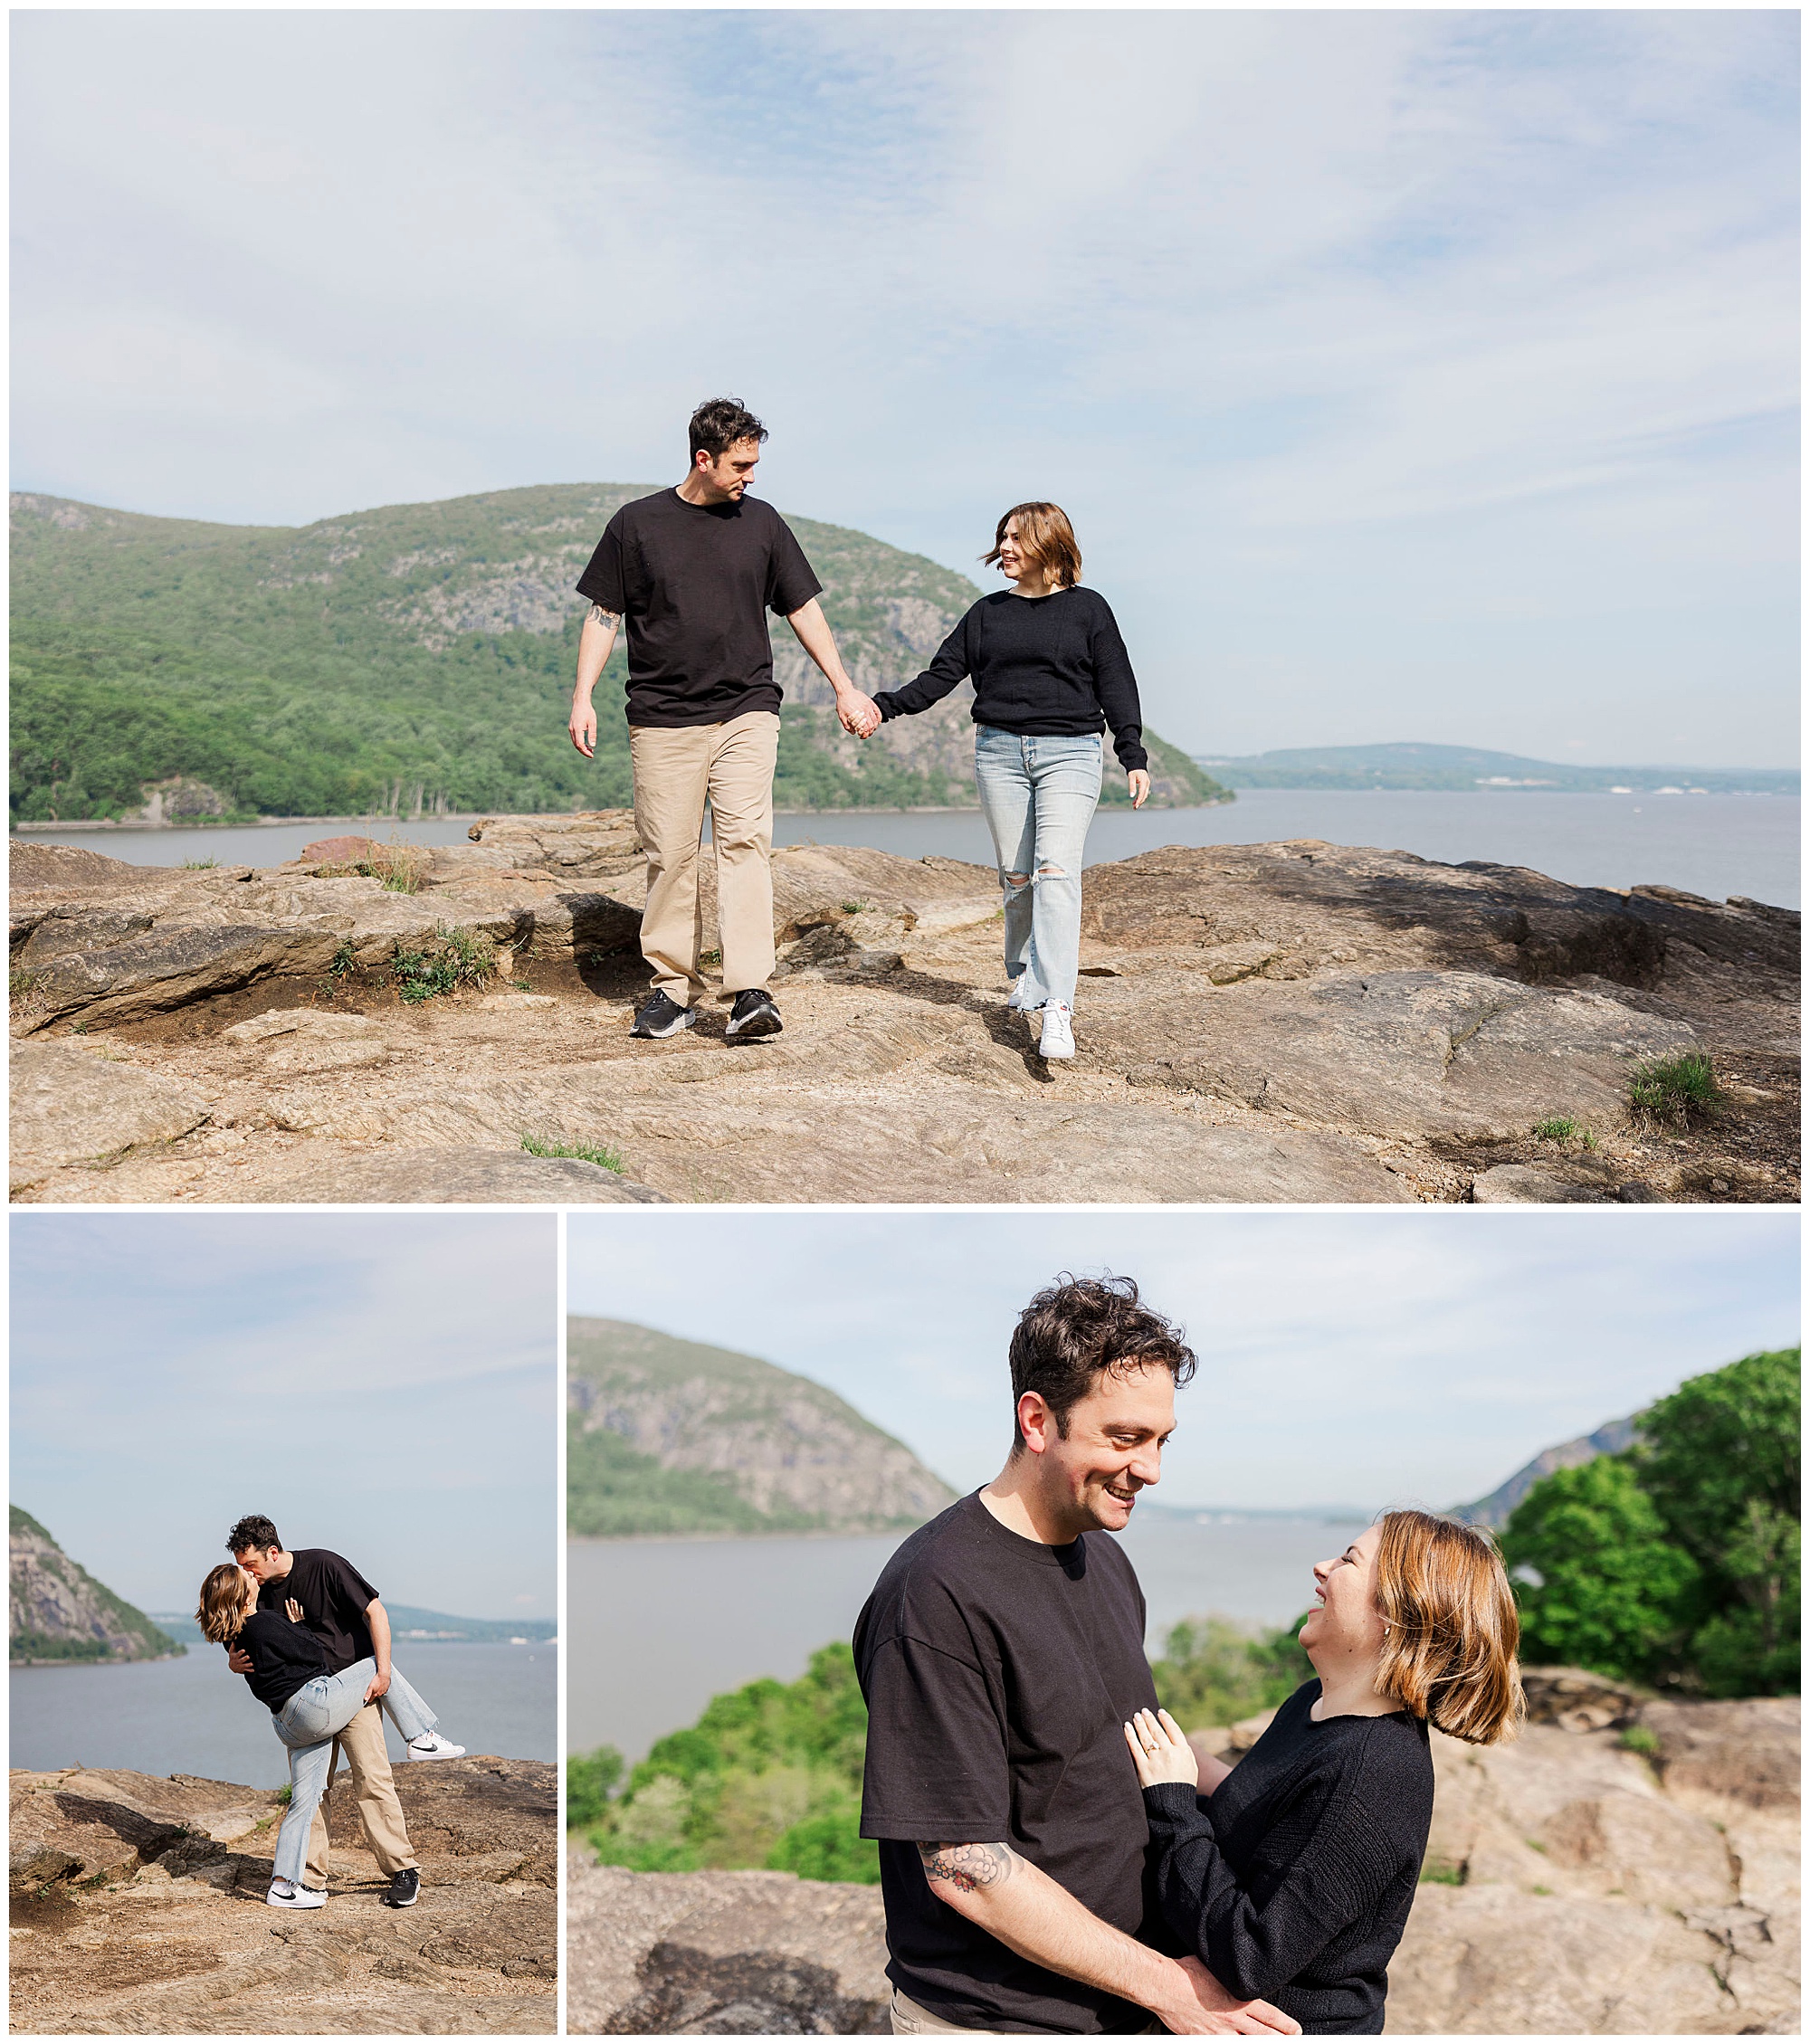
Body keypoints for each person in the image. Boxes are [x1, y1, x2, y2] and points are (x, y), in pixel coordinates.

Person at [853, 1274, 1300, 2038]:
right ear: (1037, 1419)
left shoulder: (1102, 1554)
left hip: (1124, 2002)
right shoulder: (934, 1594)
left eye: (1161, 1439)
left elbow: (1128, 1740)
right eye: (1125, 1438)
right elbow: (963, 1865)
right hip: (1004, 2020)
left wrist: (1296, 1805)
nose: (1152, 1468)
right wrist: (1169, 1987)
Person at [1126, 1512, 1526, 2035]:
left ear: (1400, 1613)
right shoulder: (1315, 1703)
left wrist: (1173, 1804)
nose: (1321, 1567)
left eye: (1348, 1560)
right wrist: (1182, 1764)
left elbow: (1252, 1956)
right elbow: (1274, 1824)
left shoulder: (1375, 1773)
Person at [567, 396, 880, 1041]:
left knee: (744, 844)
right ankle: (670, 991)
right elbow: (604, 614)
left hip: (746, 712)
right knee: (672, 856)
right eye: (741, 463)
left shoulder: (762, 524)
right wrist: (582, 695)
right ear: (703, 459)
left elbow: (804, 610)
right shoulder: (636, 525)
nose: (752, 475)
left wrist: (845, 688)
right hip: (661, 719)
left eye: (756, 462)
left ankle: (748, 992)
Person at [866, 503, 1148, 1062]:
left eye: (1017, 538)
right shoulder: (986, 613)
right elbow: (940, 676)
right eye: (1002, 538)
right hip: (999, 753)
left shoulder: (1089, 610)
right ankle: (1023, 974)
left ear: (1050, 543)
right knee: (1018, 877)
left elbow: (1116, 680)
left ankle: (1058, 1006)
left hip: (1070, 753)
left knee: (1056, 871)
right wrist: (883, 708)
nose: (1006, 547)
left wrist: (1131, 752)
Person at [224, 1515, 464, 1911]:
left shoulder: (324, 1565)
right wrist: (232, 1662)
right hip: (306, 1700)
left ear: (271, 1552)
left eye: (250, 1565)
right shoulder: (255, 1591)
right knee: (313, 1794)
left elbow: (376, 1614)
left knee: (373, 1779)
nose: (247, 1573)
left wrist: (383, 1671)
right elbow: (242, 1635)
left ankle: (403, 1871)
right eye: (242, 1567)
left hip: (355, 1696)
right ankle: (309, 1881)